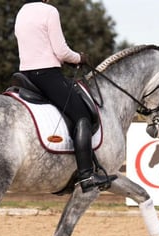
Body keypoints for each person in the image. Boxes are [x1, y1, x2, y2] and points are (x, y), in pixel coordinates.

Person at [14, 0, 116, 193]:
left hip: (25, 75)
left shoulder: (23, 11)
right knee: (81, 115)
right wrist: (79, 58)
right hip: (47, 75)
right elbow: (61, 51)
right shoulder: (50, 11)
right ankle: (86, 175)